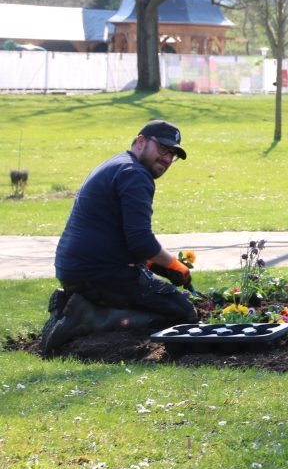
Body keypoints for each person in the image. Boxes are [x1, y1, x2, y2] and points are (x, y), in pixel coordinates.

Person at [41, 120, 198, 353]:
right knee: (182, 312)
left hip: (77, 270)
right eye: (163, 149)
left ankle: (81, 305)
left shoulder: (117, 164)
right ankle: (90, 317)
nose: (167, 159)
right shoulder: (135, 174)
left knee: (156, 295)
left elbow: (126, 240)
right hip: (100, 273)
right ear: (141, 141)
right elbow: (141, 239)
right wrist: (176, 265)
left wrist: (158, 266)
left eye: (172, 154)